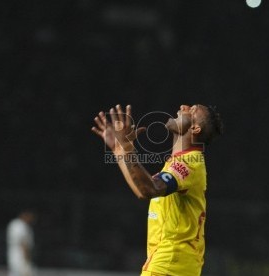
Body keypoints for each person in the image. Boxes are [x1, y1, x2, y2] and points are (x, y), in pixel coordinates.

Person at [91, 104, 223, 276]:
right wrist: (119, 150)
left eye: (191, 110)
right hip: (174, 266)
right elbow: (141, 188)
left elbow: (147, 189)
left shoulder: (190, 163)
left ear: (195, 128)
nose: (183, 106)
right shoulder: (179, 163)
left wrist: (127, 148)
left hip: (169, 266)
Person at [6, 210, 36, 276]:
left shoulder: (13, 223)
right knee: (26, 273)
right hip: (20, 254)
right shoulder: (22, 225)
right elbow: (24, 243)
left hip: (12, 253)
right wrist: (26, 258)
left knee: (14, 273)